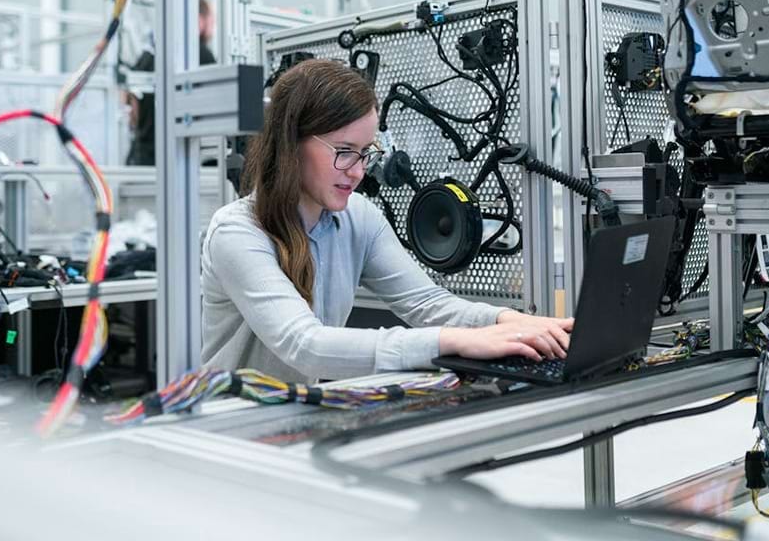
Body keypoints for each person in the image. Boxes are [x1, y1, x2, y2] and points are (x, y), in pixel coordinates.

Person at [201, 58, 573, 382]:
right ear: (291, 144)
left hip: (295, 417)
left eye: (365, 153)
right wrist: (454, 341)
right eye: (344, 152)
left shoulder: (357, 218)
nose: (358, 172)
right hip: (232, 430)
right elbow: (305, 345)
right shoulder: (237, 232)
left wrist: (511, 322)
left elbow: (427, 304)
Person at [124, 0, 216, 165]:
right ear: (199, 20)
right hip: (177, 160)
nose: (212, 28)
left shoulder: (147, 56)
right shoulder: (200, 53)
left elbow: (131, 109)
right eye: (211, 21)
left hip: (140, 159)